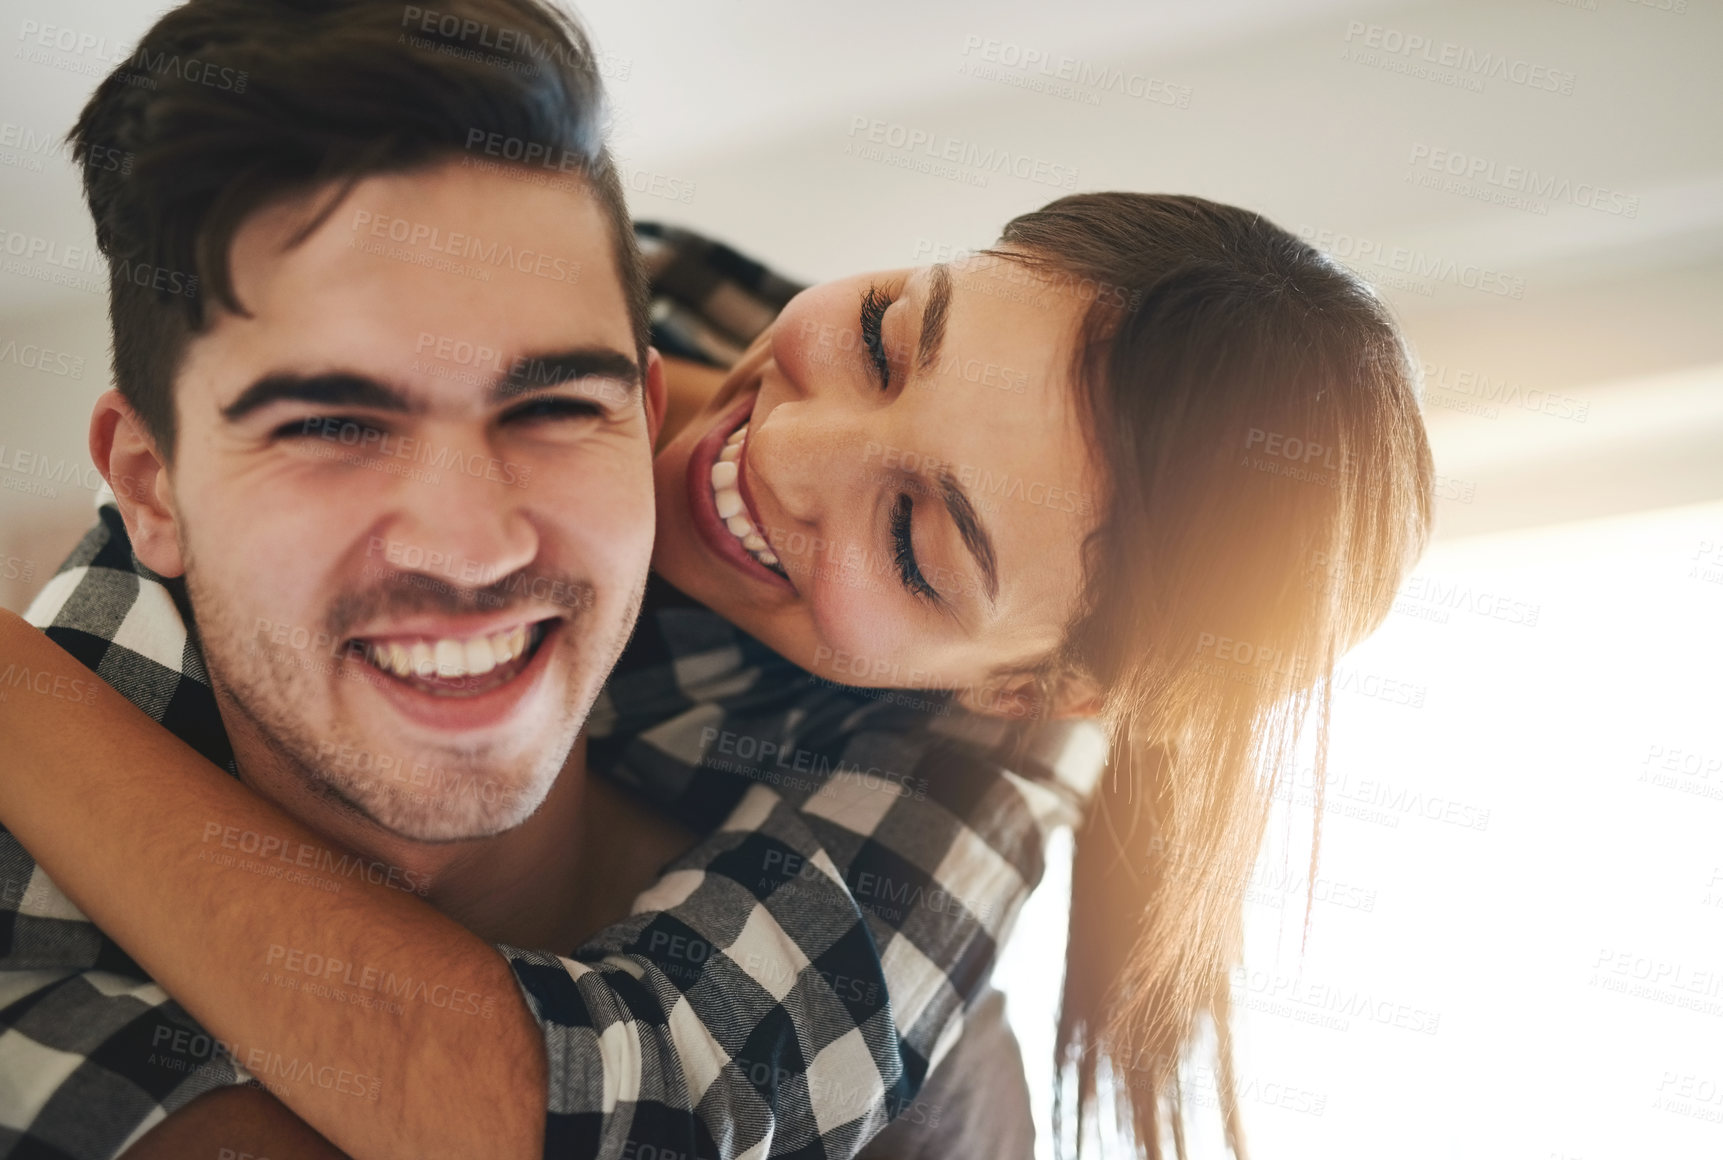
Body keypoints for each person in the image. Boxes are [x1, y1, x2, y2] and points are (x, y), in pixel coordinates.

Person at [0, 6, 1436, 1160]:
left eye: (916, 546)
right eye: (884, 336)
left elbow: (594, 1111)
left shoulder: (979, 760)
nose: (784, 453)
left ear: (1025, 681)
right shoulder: (641, 289)